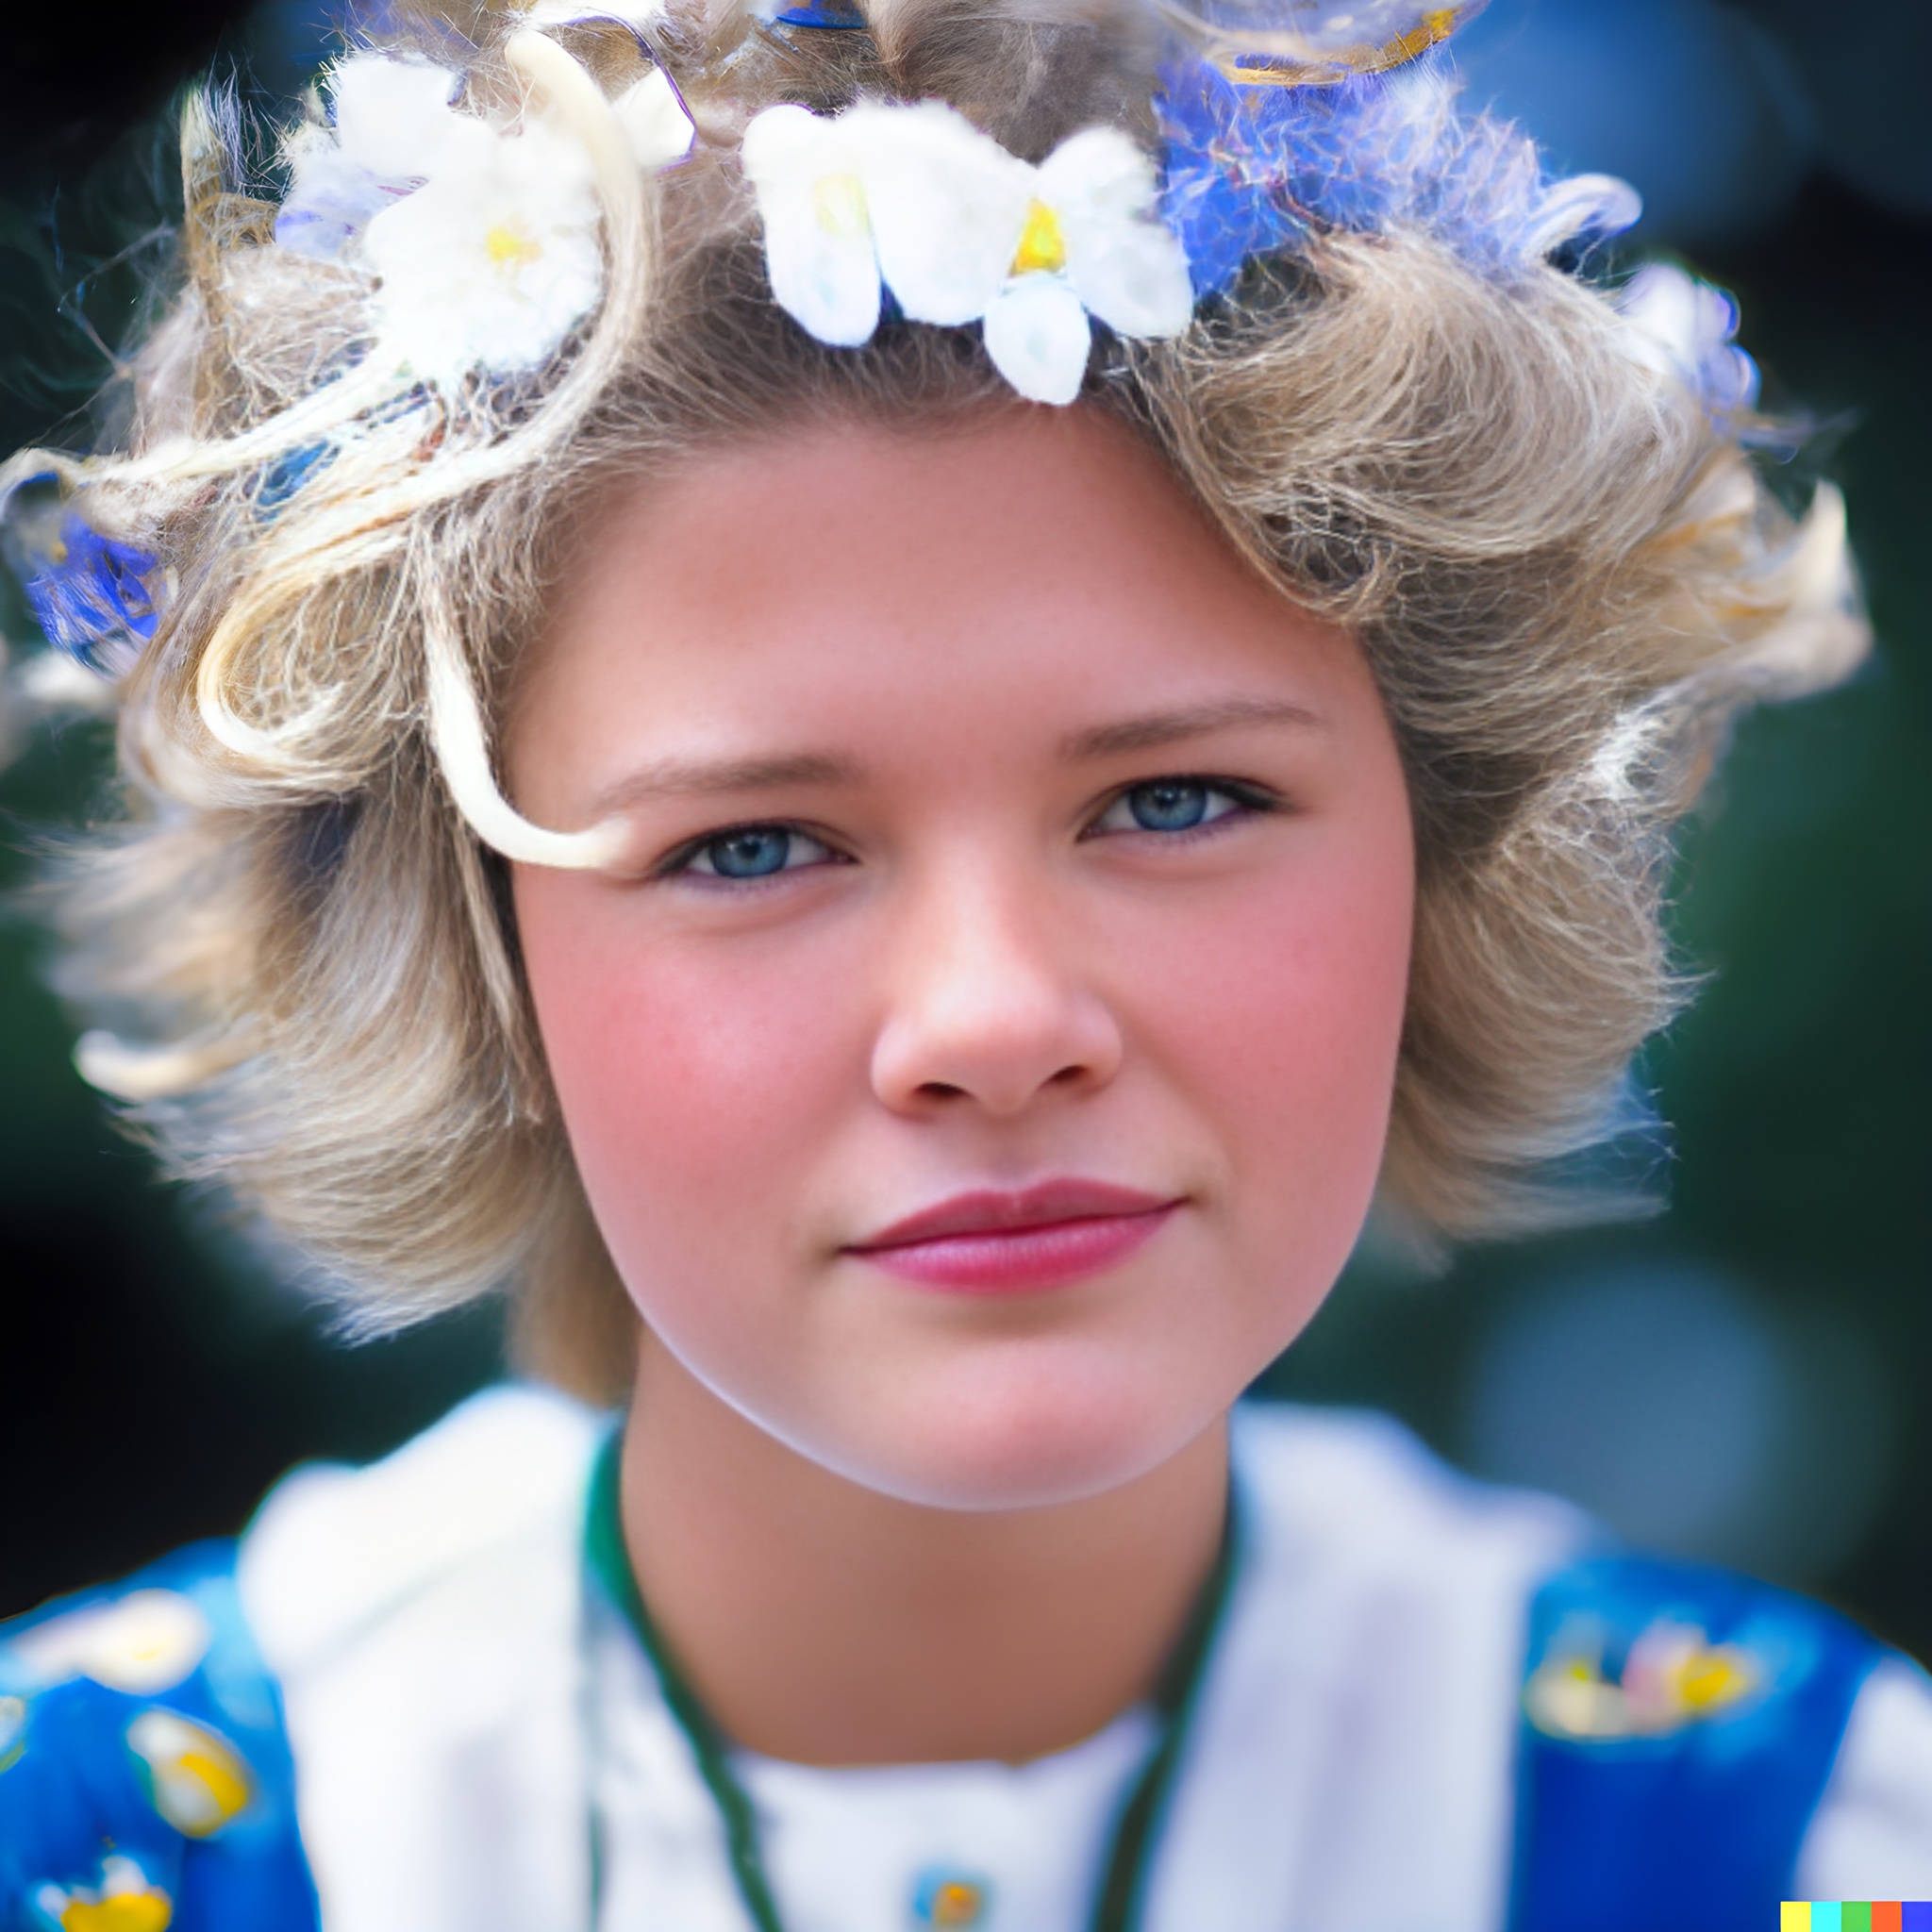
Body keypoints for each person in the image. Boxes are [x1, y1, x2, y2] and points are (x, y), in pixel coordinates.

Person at [1, 1, 1927, 1926]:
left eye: (1174, 802)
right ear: (477, 951)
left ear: (1447, 852)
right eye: (750, 845)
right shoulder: (82, 1847)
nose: (995, 1020)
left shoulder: (1812, 1845)